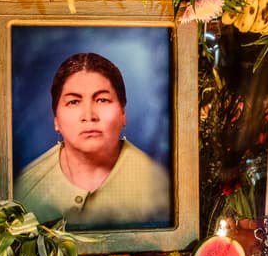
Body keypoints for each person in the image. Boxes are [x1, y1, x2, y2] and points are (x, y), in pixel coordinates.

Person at [15, 52, 171, 228]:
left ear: (123, 114)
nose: (89, 116)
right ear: (56, 119)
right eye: (73, 102)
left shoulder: (159, 188)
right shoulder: (25, 189)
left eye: (102, 100)